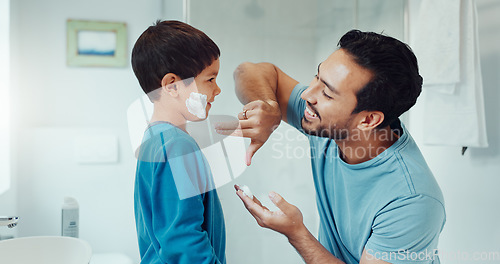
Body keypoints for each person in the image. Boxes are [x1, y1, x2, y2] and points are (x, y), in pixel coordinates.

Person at [217, 30, 445, 263]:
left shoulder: (411, 200)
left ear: (368, 120)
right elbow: (248, 72)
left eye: (326, 93)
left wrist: (297, 234)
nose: (307, 93)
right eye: (317, 77)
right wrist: (269, 106)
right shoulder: (331, 124)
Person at [131, 20, 225, 264]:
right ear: (172, 85)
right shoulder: (176, 146)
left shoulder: (154, 139)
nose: (218, 90)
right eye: (210, 80)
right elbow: (183, 242)